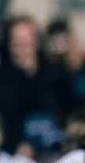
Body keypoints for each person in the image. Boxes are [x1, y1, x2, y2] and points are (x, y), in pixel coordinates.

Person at [1, 16, 60, 155]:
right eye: (17, 44)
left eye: (27, 42)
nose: (23, 49)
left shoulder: (53, 71)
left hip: (52, 149)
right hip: (13, 153)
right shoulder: (4, 76)